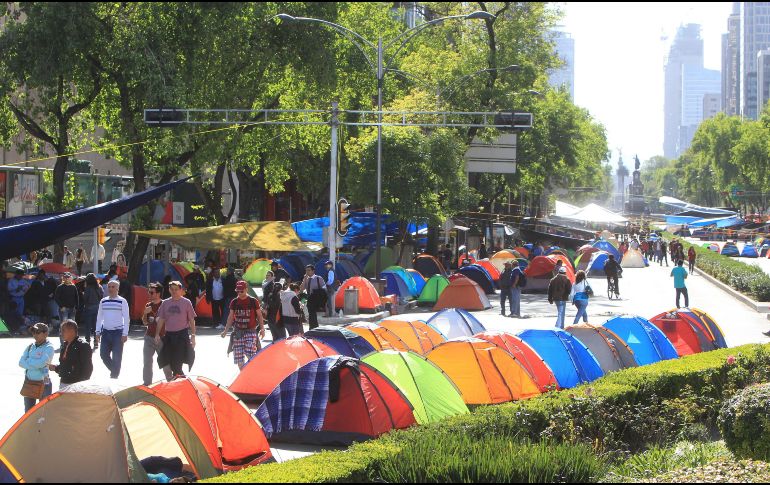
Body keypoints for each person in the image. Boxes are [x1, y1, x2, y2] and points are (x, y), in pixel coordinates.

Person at [220, 281, 265, 370]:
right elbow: (230, 317)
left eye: (242, 291)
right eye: (238, 291)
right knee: (239, 360)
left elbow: (259, 315)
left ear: (246, 289)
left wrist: (262, 329)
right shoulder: (234, 302)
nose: (239, 293)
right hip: (238, 333)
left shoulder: (253, 301)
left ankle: (251, 375)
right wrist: (225, 331)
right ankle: (244, 377)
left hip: (250, 332)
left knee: (251, 356)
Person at [156, 281, 197, 378]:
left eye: (176, 289)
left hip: (181, 335)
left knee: (177, 363)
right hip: (169, 335)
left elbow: (191, 320)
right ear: (169, 290)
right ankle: (179, 380)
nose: (174, 292)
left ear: (181, 290)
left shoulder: (186, 302)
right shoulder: (165, 303)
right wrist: (157, 334)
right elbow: (161, 319)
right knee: (167, 360)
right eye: (172, 289)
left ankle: (181, 382)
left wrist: (193, 336)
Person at [94, 280, 130, 379]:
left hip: (118, 332)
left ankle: (114, 376)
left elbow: (126, 318)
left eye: (113, 287)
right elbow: (99, 317)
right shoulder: (103, 301)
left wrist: (125, 333)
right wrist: (97, 332)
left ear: (117, 288)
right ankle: (115, 371)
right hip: (105, 332)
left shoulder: (122, 301)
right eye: (109, 287)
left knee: (117, 357)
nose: (110, 289)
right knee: (103, 355)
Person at [19, 322, 55, 412]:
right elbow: (20, 362)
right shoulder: (30, 346)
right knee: (28, 413)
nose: (35, 335)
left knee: (43, 413)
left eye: (37, 332)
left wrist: (28, 362)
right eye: (33, 332)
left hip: (44, 382)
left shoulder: (49, 347)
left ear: (45, 334)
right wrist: (35, 364)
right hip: (29, 382)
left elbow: (42, 363)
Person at [142, 282, 172, 385]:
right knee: (147, 362)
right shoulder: (148, 305)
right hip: (149, 337)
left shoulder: (165, 305)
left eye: (151, 292)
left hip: (162, 338)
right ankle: (147, 384)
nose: (149, 294)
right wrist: (145, 313)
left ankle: (170, 382)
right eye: (148, 292)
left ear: (158, 293)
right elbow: (145, 322)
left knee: (165, 363)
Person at [49, 319, 93, 389]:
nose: (61, 333)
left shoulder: (83, 346)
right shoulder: (64, 345)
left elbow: (88, 368)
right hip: (64, 382)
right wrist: (55, 368)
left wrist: (82, 386)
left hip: (77, 385)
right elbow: (66, 365)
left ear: (72, 331)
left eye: (63, 330)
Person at [262, 272, 286, 342]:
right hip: (277, 319)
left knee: (275, 336)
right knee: (281, 338)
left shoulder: (271, 295)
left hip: (271, 318)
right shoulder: (280, 297)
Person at [301, 264, 326, 330]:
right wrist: (304, 279)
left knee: (312, 314)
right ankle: (313, 327)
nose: (307, 272)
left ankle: (313, 327)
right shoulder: (306, 279)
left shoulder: (318, 278)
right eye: (306, 271)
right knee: (311, 314)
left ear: (313, 271)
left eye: (309, 270)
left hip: (316, 298)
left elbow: (324, 288)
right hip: (309, 298)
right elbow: (301, 289)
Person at [81, 273, 103, 345]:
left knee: (88, 325)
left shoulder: (88, 288)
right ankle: (96, 340)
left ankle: (88, 340)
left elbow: (85, 299)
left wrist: (83, 294)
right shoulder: (99, 287)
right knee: (96, 325)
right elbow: (101, 296)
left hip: (89, 307)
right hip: (97, 307)